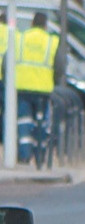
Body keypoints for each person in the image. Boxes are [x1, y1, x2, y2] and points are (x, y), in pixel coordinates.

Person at [15, 11, 60, 165]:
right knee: (40, 122)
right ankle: (40, 156)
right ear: (45, 25)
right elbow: (59, 66)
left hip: (22, 87)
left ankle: (24, 155)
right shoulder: (51, 41)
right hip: (43, 89)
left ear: (31, 24)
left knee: (24, 123)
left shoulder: (20, 38)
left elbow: (9, 60)